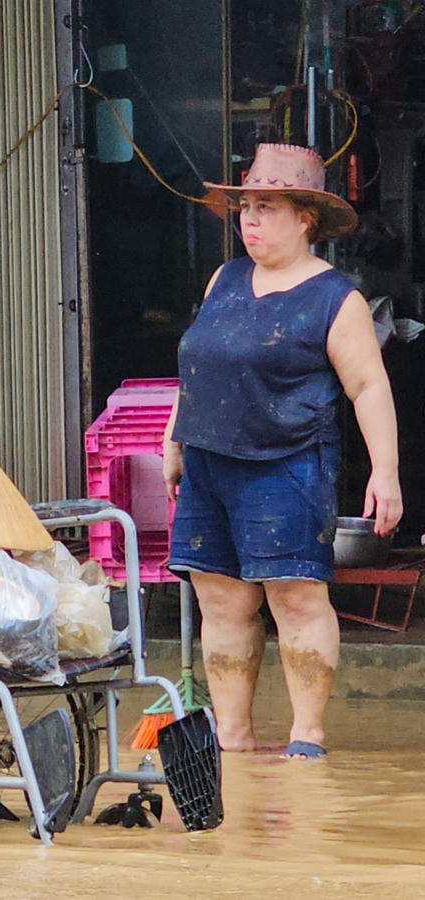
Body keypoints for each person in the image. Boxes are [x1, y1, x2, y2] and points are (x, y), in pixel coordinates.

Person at [162, 143, 401, 759]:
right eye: (246, 207)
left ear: (305, 220)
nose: (250, 220)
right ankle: (233, 736)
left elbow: (369, 385)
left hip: (287, 462)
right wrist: (174, 440)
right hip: (209, 462)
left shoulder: (334, 297)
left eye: (267, 208)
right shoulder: (225, 279)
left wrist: (386, 471)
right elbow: (198, 367)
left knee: (294, 594)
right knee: (220, 598)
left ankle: (306, 736)